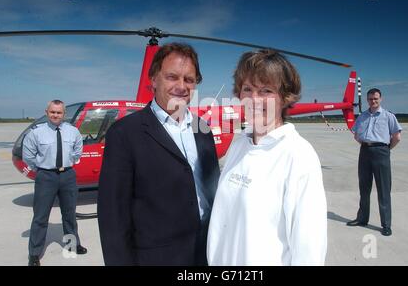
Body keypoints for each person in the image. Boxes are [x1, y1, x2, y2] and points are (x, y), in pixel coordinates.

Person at [97, 43, 220, 266]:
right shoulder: (125, 133)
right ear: (154, 80)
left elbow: (212, 190)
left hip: (207, 252)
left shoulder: (203, 130)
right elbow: (113, 218)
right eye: (172, 77)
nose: (181, 86)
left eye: (189, 79)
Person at [207, 50, 327, 266]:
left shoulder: (298, 155)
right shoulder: (240, 146)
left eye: (266, 90)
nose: (254, 99)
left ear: (285, 98)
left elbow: (309, 249)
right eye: (247, 89)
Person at [23, 100, 86, 266]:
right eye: (52, 112)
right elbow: (28, 155)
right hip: (46, 177)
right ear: (46, 112)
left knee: (69, 214)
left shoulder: (73, 131)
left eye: (59, 112)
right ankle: (34, 254)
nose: (55, 115)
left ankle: (72, 245)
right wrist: (42, 169)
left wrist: (67, 164)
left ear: (64, 114)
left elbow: (78, 151)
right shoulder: (36, 133)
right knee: (40, 217)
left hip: (68, 176)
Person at [347, 88, 402, 236]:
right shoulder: (362, 116)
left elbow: (396, 137)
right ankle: (362, 218)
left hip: (381, 152)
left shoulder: (388, 116)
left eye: (376, 98)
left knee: (383, 190)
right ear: (367, 100)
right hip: (364, 152)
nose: (373, 101)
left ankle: (386, 225)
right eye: (371, 99)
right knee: (364, 188)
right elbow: (356, 135)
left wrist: (386, 149)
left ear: (381, 99)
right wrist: (366, 144)